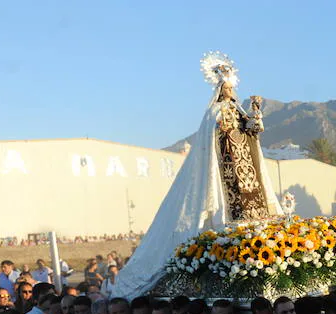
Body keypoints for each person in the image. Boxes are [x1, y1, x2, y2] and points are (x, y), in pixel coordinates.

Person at [111, 53, 282, 299]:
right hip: (226, 166)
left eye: (231, 88)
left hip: (247, 166)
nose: (229, 92)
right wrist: (223, 129)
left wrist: (256, 113)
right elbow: (210, 136)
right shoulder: (214, 113)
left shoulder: (239, 109)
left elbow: (255, 130)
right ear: (218, 90)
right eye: (225, 88)